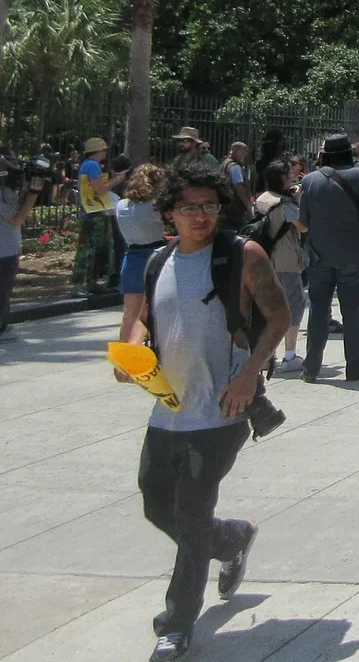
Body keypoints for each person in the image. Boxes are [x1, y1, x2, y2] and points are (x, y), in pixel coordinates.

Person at [119, 156, 291, 662]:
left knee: (191, 514)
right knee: (156, 503)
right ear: (168, 212)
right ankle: (234, 539)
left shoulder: (244, 255)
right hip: (168, 407)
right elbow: (141, 321)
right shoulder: (157, 263)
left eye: (210, 206)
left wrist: (247, 376)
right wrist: (132, 352)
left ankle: (175, 625)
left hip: (222, 409)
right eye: (189, 207)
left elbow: (278, 317)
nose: (201, 216)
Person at [293, 134, 359, 383]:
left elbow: (305, 221)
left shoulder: (309, 181)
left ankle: (310, 369)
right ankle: (355, 367)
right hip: (354, 253)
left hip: (319, 255)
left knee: (318, 310)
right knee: (353, 312)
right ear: (349, 153)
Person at [253, 162, 305, 366]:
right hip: (286, 260)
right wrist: (297, 200)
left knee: (268, 306)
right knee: (294, 305)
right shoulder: (286, 205)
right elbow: (303, 227)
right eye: (289, 175)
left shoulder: (261, 199)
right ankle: (290, 355)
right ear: (283, 178)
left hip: (265, 258)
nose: (292, 177)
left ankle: (266, 355)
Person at [116, 163, 170, 345]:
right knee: (157, 310)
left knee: (129, 315)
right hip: (156, 256)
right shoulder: (155, 207)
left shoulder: (121, 205)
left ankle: (124, 357)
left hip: (131, 257)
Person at [0, 156, 46, 334]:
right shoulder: (4, 194)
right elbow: (16, 219)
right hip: (5, 251)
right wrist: (33, 194)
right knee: (2, 293)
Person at [74, 136, 117, 294]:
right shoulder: (93, 165)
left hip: (92, 211)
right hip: (93, 213)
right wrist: (117, 180)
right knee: (90, 248)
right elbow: (100, 189)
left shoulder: (88, 164)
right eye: (104, 150)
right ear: (97, 151)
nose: (105, 152)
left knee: (95, 248)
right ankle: (81, 283)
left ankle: (91, 282)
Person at [222, 143, 251, 229]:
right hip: (235, 209)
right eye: (243, 151)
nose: (245, 154)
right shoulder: (235, 167)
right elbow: (239, 187)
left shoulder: (225, 163)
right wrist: (248, 206)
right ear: (234, 151)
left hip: (226, 208)